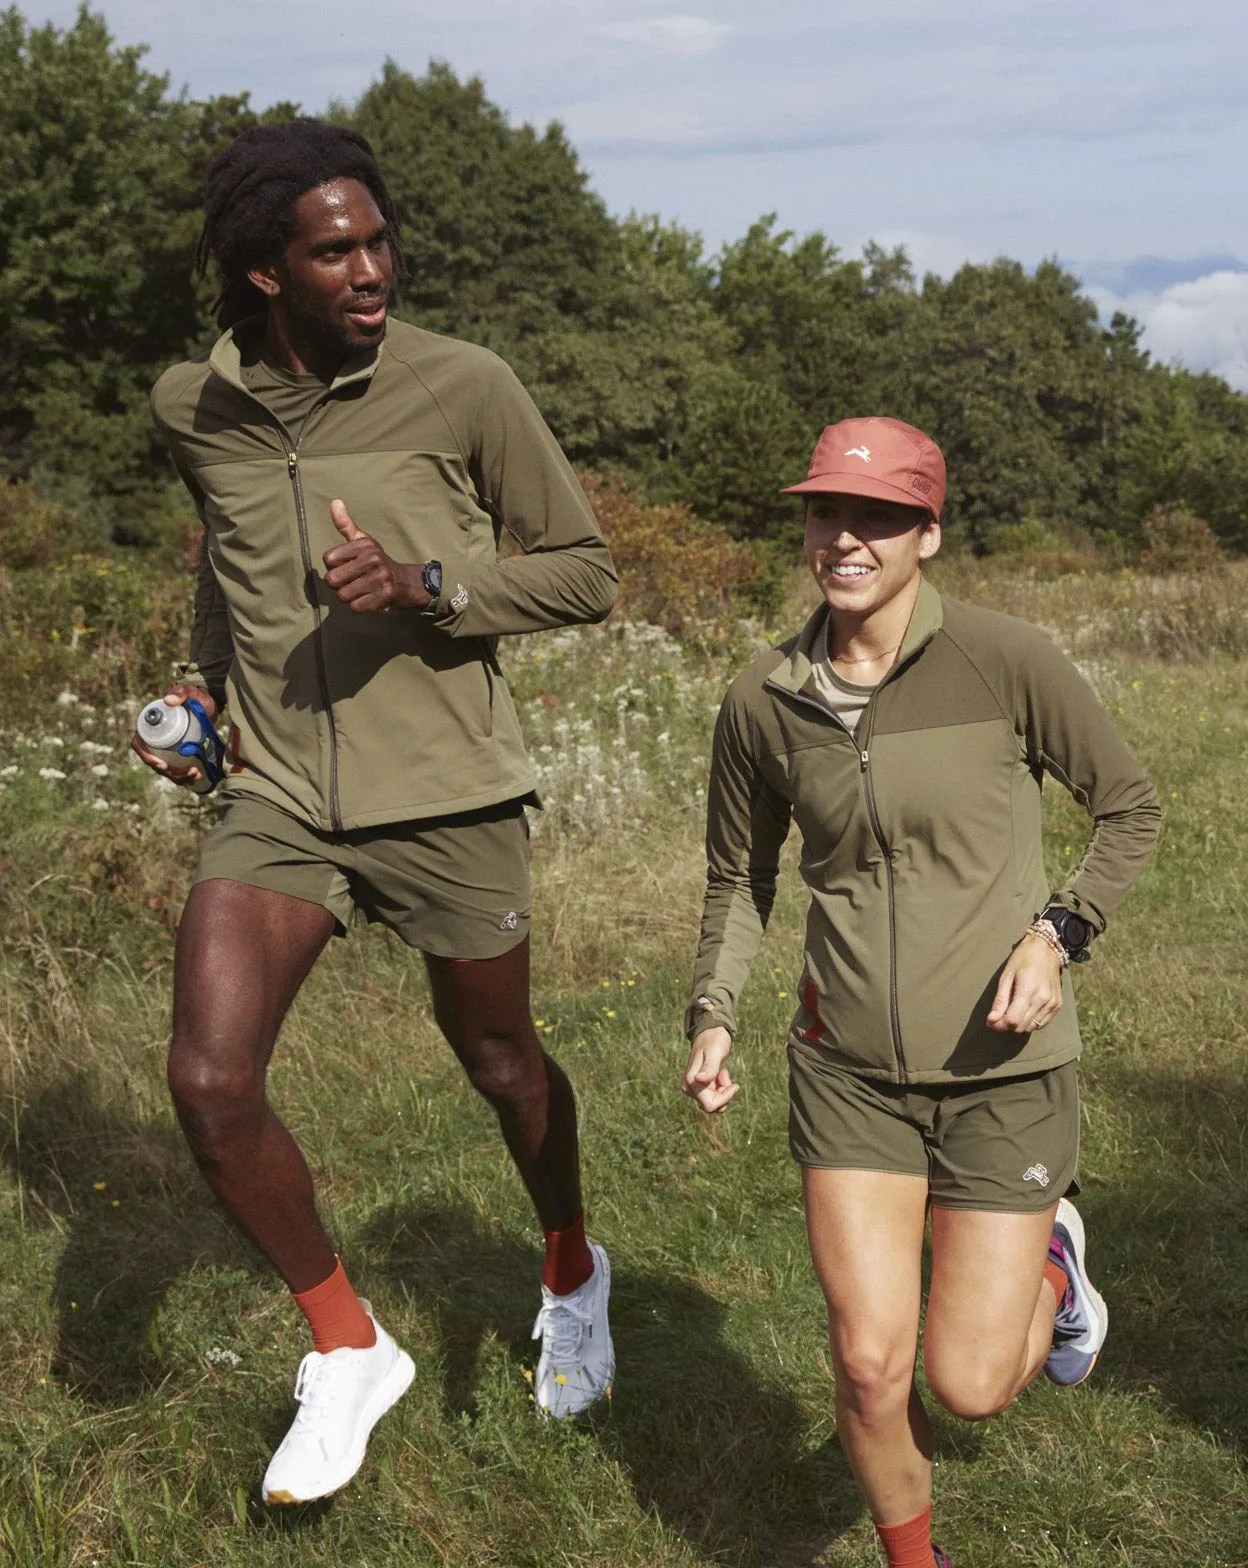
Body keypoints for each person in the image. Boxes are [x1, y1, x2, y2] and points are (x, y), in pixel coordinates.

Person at [134, 119, 618, 1506]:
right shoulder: (193, 404)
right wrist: (205, 683)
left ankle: (571, 1265)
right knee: (209, 1080)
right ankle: (348, 1344)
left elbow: (584, 571)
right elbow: (229, 562)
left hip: (449, 791)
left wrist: (431, 588)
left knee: (501, 1061)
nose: (372, 270)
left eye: (379, 242)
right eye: (336, 251)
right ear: (264, 272)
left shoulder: (464, 384)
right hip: (280, 791)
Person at [681, 417, 1159, 1568]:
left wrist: (1057, 932)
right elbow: (739, 876)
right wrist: (713, 1010)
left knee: (971, 1382)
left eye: (879, 517)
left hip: (1004, 1069)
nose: (845, 538)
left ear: (927, 534)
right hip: (847, 1072)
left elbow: (1129, 805)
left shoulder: (1004, 658)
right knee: (866, 1362)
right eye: (826, 512)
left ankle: (1057, 1264)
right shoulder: (762, 697)